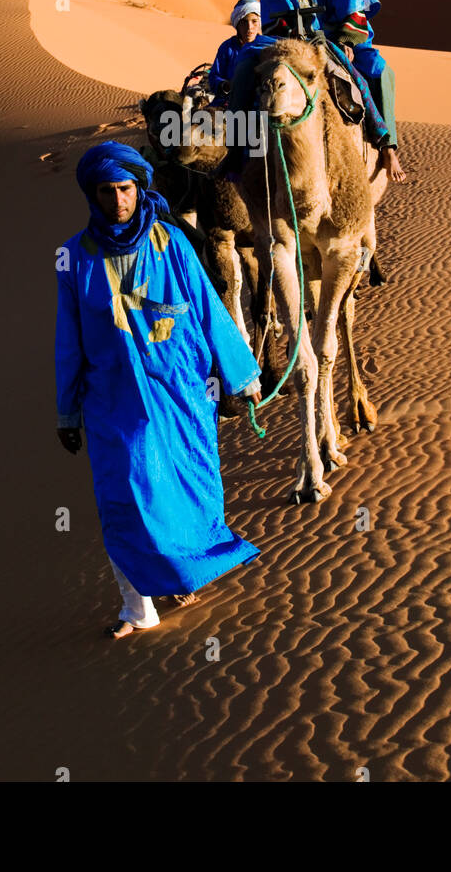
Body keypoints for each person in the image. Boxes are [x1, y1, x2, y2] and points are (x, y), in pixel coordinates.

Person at [54, 141, 262, 638]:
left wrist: (242, 374)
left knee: (182, 490)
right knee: (123, 497)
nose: (118, 200)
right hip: (113, 401)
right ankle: (136, 607)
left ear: (138, 188)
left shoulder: (172, 243)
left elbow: (207, 306)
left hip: (181, 391)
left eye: (125, 189)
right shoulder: (72, 258)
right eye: (107, 191)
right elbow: (68, 337)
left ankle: (179, 575)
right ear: (92, 194)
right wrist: (66, 411)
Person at [259, 0, 406, 182]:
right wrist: (302, 42)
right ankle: (240, 153)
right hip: (295, 45)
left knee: (378, 70)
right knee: (245, 71)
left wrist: (346, 41)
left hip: (340, 39)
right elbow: (275, 18)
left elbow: (353, 2)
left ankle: (387, 145)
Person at [206, 0, 262, 104]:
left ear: (260, 23)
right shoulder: (227, 47)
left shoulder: (265, 47)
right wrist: (226, 85)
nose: (249, 27)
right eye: (244, 22)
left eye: (254, 21)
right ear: (237, 24)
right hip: (228, 101)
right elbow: (214, 77)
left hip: (258, 104)